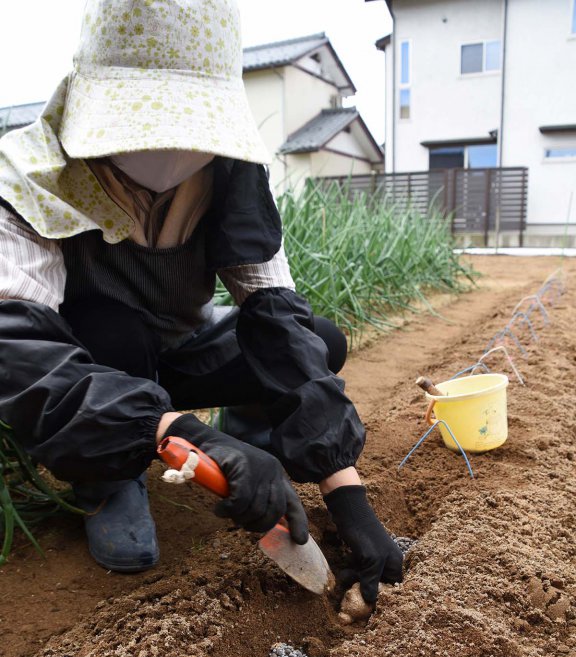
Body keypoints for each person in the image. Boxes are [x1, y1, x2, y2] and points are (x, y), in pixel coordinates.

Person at [0, 0, 402, 604]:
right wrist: (181, 435)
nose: (167, 155)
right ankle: (111, 479)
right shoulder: (31, 180)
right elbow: (21, 355)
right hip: (100, 364)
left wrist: (347, 494)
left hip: (183, 348)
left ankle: (253, 436)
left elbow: (272, 310)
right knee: (112, 329)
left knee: (318, 338)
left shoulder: (231, 174)